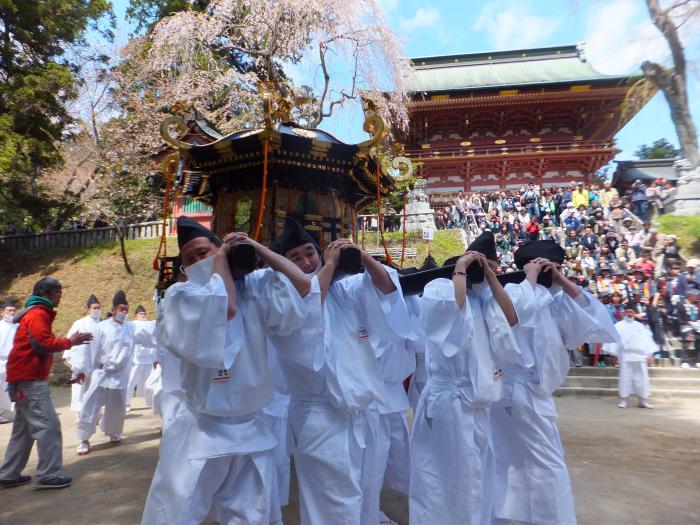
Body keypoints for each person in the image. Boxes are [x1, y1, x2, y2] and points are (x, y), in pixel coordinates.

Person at [141, 216, 315, 525]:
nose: (198, 261)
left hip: (251, 426)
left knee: (250, 514)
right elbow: (225, 308)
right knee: (175, 513)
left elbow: (304, 285)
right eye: (189, 258)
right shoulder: (180, 297)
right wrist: (220, 261)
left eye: (204, 252)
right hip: (201, 427)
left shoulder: (255, 284)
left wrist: (256, 247)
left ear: (221, 249)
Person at [270, 217, 411, 525]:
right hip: (319, 416)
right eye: (295, 259)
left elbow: (387, 289)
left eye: (310, 252)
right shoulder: (282, 299)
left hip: (364, 412)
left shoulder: (345, 290)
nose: (306, 262)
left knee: (365, 495)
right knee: (334, 505)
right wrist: (330, 264)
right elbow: (308, 307)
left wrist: (361, 256)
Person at [491, 241, 619, 525]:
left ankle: (521, 517)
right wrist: (532, 278)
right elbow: (518, 318)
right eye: (551, 268)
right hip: (517, 391)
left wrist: (562, 280)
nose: (555, 274)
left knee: (522, 461)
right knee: (542, 464)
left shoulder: (556, 298)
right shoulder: (516, 292)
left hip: (535, 395)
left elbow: (593, 323)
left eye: (559, 269)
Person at [410, 232, 520, 525]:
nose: (485, 271)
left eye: (492, 267)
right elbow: (452, 313)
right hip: (450, 404)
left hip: (477, 404)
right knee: (450, 477)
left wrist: (492, 278)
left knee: (476, 477)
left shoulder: (484, 299)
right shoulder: (439, 288)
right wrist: (460, 267)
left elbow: (512, 318)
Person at [0, 278, 93, 489]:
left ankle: (8, 474)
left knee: (23, 431)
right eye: (56, 291)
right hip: (30, 380)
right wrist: (71, 342)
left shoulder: (35, 312)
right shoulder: (38, 313)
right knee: (48, 426)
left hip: (22, 379)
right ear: (44, 293)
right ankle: (49, 474)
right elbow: (42, 343)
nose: (60, 295)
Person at [76, 290, 153, 455]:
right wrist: (82, 370)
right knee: (90, 406)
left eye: (126, 309)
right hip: (100, 373)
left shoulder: (131, 327)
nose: (123, 312)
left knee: (117, 408)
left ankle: (114, 432)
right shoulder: (100, 327)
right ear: (113, 310)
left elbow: (151, 330)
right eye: (120, 309)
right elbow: (89, 351)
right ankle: (84, 439)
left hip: (119, 374)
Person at [604, 306, 657, 409]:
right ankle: (623, 399)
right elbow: (615, 340)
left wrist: (649, 354)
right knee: (625, 378)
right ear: (624, 313)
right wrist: (614, 354)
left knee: (641, 378)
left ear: (634, 313)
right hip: (626, 355)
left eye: (631, 312)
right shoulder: (619, 326)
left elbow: (647, 340)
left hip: (640, 355)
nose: (629, 314)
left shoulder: (640, 326)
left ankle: (642, 400)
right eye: (627, 312)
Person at [64, 294, 102, 416]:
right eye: (94, 308)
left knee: (94, 387)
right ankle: (79, 413)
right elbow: (70, 339)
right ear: (88, 309)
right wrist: (72, 359)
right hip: (82, 360)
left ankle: (93, 412)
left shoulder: (103, 324)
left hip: (96, 361)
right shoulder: (80, 323)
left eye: (98, 308)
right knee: (79, 387)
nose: (96, 310)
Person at [126, 305, 157, 411]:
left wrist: (155, 358)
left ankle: (151, 401)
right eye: (140, 314)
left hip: (148, 359)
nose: (143, 315)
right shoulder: (132, 324)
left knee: (151, 382)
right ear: (136, 316)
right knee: (131, 382)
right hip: (137, 359)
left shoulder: (150, 324)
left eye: (144, 314)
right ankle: (126, 403)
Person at [0, 300, 19, 424]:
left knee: (16, 388)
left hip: (16, 361)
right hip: (0, 362)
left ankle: (19, 412)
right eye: (9, 310)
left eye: (13, 310)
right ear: (2, 312)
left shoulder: (19, 326)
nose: (12, 313)